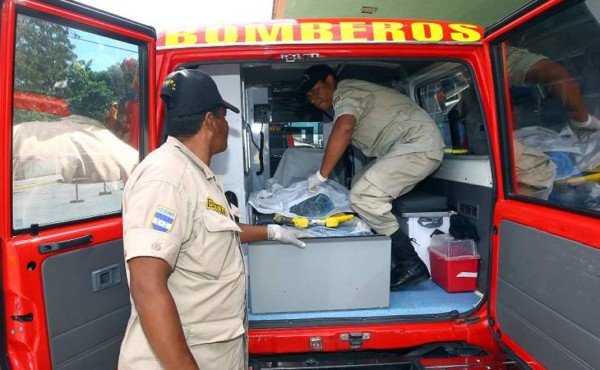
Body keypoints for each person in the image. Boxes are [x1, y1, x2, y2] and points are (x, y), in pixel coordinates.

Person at [118, 69, 312, 370]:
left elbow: (214, 233)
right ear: (210, 120)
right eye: (223, 117)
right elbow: (146, 286)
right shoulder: (167, 178)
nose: (225, 126)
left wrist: (273, 232)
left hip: (212, 353)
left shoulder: (196, 174)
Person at [299, 64, 445, 291]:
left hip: (416, 144)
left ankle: (410, 263)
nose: (314, 100)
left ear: (330, 81)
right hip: (404, 147)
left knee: (364, 195)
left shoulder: (345, 92)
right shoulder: (347, 99)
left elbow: (344, 129)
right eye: (310, 98)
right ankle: (378, 251)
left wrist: (321, 175)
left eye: (315, 91)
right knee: (358, 185)